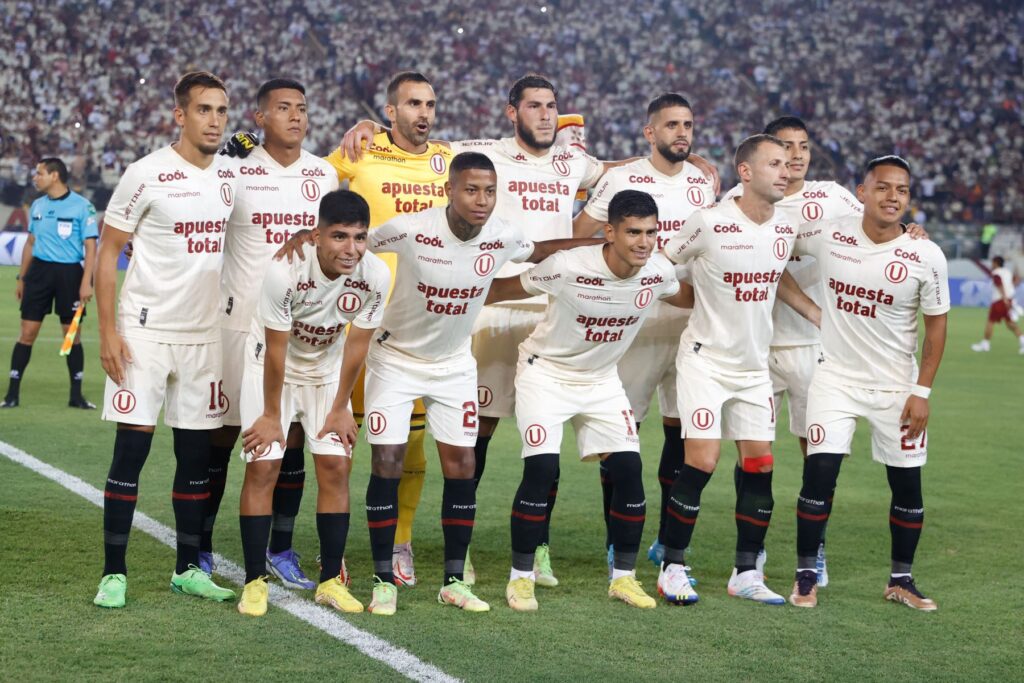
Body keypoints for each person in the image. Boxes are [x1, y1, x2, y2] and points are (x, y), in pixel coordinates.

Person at [339, 75, 720, 587]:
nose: (545, 115)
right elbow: (421, 142)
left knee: (547, 441)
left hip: (553, 308)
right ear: (512, 112)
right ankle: (462, 551)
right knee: (476, 436)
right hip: (494, 306)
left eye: (551, 106)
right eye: (535, 106)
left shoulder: (572, 162)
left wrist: (689, 158)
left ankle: (537, 547)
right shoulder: (483, 152)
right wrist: (371, 125)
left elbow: (625, 167)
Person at [359, 152, 600, 616]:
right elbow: (356, 243)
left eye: (489, 191)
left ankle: (453, 581)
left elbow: (540, 250)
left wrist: (599, 243)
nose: (482, 200)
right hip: (396, 359)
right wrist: (309, 237)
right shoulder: (411, 229)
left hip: (453, 365)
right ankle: (383, 580)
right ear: (449, 190)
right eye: (471, 190)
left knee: (462, 464)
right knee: (388, 461)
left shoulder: (503, 234)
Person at [492, 189, 692, 611]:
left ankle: (624, 579)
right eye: (633, 232)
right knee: (542, 469)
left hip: (601, 380)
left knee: (629, 469)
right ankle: (521, 579)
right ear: (610, 232)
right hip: (546, 373)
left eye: (651, 232)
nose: (643, 242)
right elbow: (501, 289)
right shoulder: (567, 266)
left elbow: (687, 296)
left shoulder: (658, 272)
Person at [92, 71, 237, 609]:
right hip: (144, 333)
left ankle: (187, 568)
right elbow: (108, 252)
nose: (214, 120)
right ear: (180, 115)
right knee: (131, 450)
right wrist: (108, 332)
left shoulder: (232, 174)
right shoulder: (145, 173)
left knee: (195, 458)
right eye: (203, 109)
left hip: (205, 336)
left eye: (221, 110)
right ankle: (113, 573)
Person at [784, 156, 949, 610]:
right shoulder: (830, 233)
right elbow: (773, 249)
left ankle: (901, 580)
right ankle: (805, 576)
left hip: (897, 388)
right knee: (819, 475)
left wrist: (922, 392)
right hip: (834, 379)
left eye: (902, 190)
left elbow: (937, 327)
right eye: (882, 187)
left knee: (907, 486)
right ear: (862, 192)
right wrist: (811, 311)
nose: (893, 197)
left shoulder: (925, 255)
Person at [656, 134, 810, 606]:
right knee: (702, 461)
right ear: (745, 172)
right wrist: (689, 297)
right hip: (705, 361)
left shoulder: (786, 226)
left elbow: (778, 273)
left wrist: (816, 313)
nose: (786, 170)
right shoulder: (709, 222)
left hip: (753, 367)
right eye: (774, 163)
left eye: (788, 163)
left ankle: (746, 572)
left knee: (760, 464)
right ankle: (672, 566)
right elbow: (661, 264)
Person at [202, 78, 340, 589]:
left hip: (301, 329)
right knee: (222, 436)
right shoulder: (234, 169)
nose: (296, 116)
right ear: (260, 118)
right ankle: (201, 545)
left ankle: (281, 548)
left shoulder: (324, 174)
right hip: (239, 323)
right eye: (283, 108)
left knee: (292, 438)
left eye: (301, 108)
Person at [720, 115, 863, 586]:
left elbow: (876, 229)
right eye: (785, 147)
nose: (796, 155)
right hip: (755, 348)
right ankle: (752, 550)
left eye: (803, 145)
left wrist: (911, 231)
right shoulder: (738, 201)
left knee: (817, 455)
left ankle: (814, 549)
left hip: (813, 350)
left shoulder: (833, 198)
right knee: (753, 456)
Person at [572, 93, 713, 572]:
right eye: (672, 125)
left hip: (690, 324)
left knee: (681, 431)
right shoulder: (622, 179)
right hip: (632, 325)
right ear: (650, 132)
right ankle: (618, 540)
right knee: (621, 432)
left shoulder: (702, 182)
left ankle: (667, 542)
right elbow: (581, 234)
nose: (682, 133)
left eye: (688, 124)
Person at [236, 189, 390, 617]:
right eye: (340, 236)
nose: (351, 249)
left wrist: (341, 407)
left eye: (359, 237)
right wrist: (272, 416)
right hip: (271, 368)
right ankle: (254, 581)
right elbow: (276, 350)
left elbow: (357, 345)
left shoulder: (375, 275)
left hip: (326, 370)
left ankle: (330, 582)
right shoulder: (284, 271)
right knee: (264, 465)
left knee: (336, 466)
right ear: (317, 236)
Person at [2, 157, 98, 409]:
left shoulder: (82, 206)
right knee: (27, 333)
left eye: (39, 173)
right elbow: (30, 243)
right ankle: (12, 395)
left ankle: (76, 396)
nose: (35, 178)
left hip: (69, 275)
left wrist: (86, 282)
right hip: (39, 273)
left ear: (54, 175)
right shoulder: (37, 205)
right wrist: (21, 278)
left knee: (71, 336)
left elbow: (91, 247)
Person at [970, 256, 1024, 354]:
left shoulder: (996, 273)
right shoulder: (1007, 272)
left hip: (1000, 300)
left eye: (993, 262)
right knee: (1010, 323)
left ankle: (985, 344)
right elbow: (1017, 279)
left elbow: (999, 285)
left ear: (996, 263)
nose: (992, 264)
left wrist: (1004, 298)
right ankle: (1022, 341)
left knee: (990, 321)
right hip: (1008, 299)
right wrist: (1009, 293)